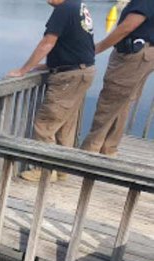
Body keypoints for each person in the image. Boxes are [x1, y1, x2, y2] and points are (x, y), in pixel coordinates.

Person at [8, 0, 95, 182]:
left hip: (69, 76)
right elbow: (74, 43)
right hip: (80, 71)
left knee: (46, 123)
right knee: (65, 124)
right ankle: (61, 168)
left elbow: (47, 43)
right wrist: (47, 65)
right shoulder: (77, 6)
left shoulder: (63, 9)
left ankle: (44, 170)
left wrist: (23, 70)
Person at [81, 0, 154, 156]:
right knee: (122, 104)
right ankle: (108, 149)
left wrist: (97, 48)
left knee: (110, 102)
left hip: (134, 54)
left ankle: (89, 153)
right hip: (145, 54)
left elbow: (128, 26)